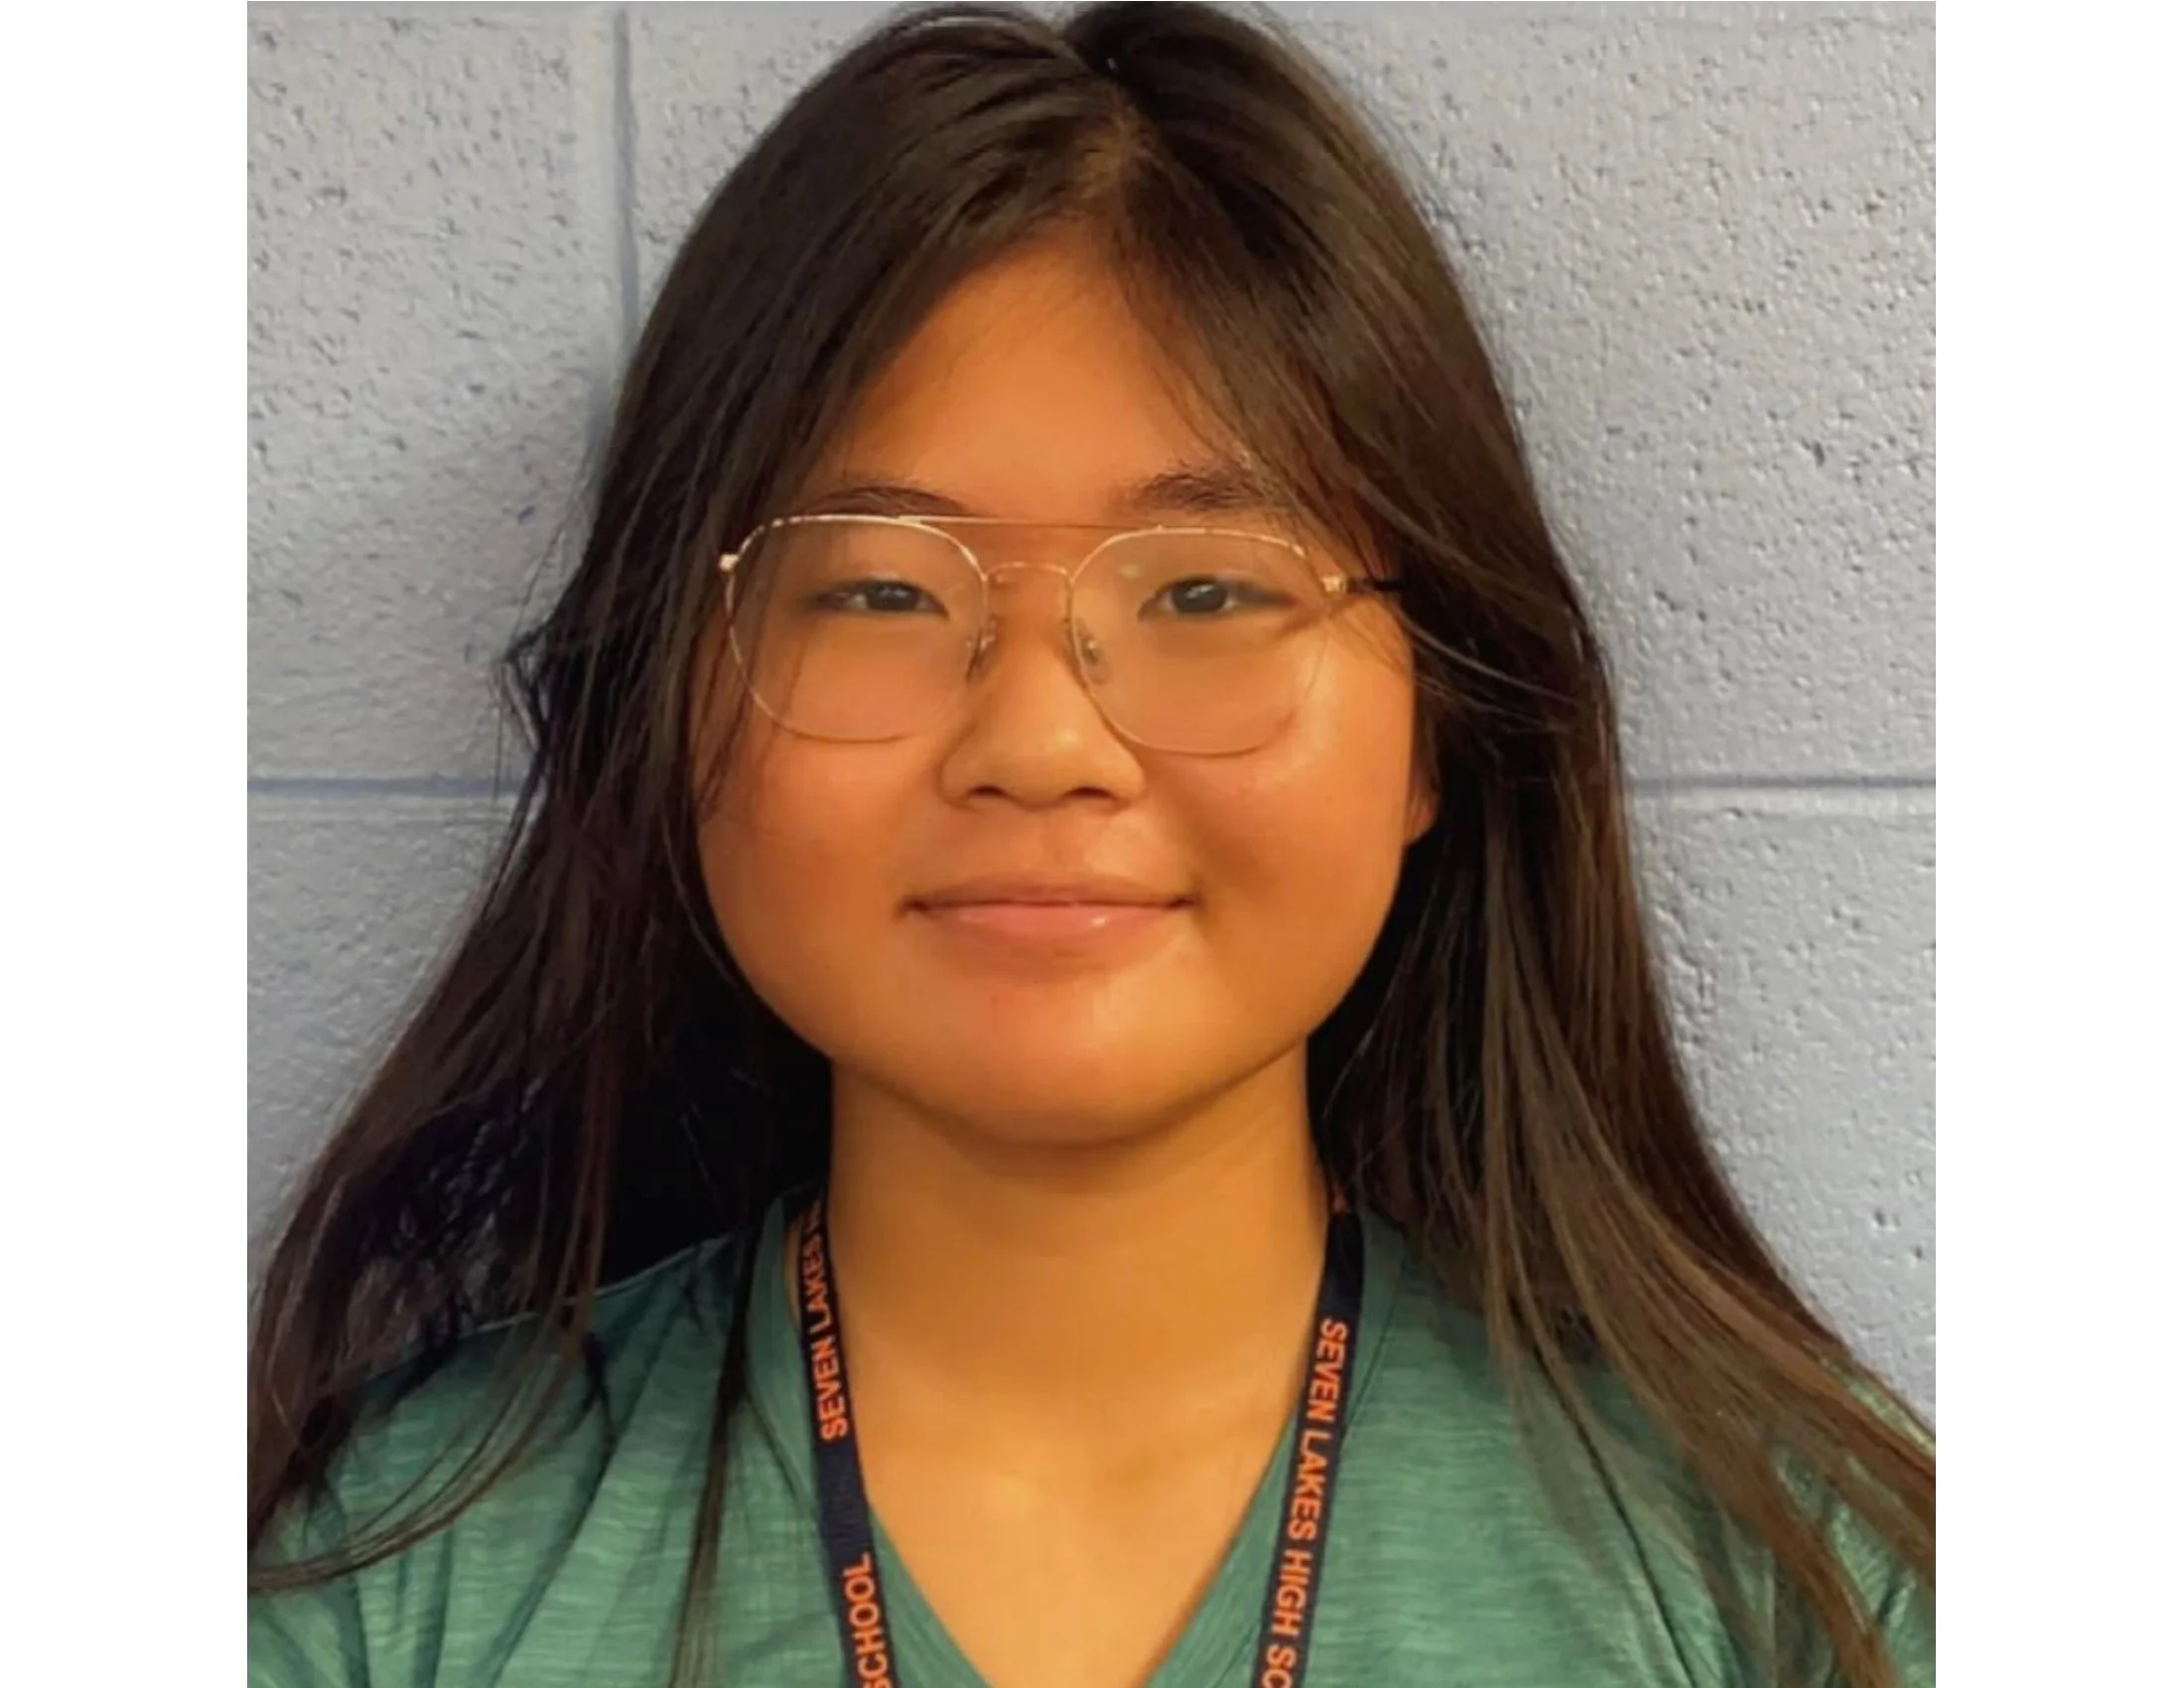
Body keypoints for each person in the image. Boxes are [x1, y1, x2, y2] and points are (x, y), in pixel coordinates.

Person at [246, 5, 1935, 1686]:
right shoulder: (390, 1581)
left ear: (1441, 727)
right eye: (882, 592)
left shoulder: (1793, 1565)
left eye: (1208, 590)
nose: (1042, 745)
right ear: (672, 704)